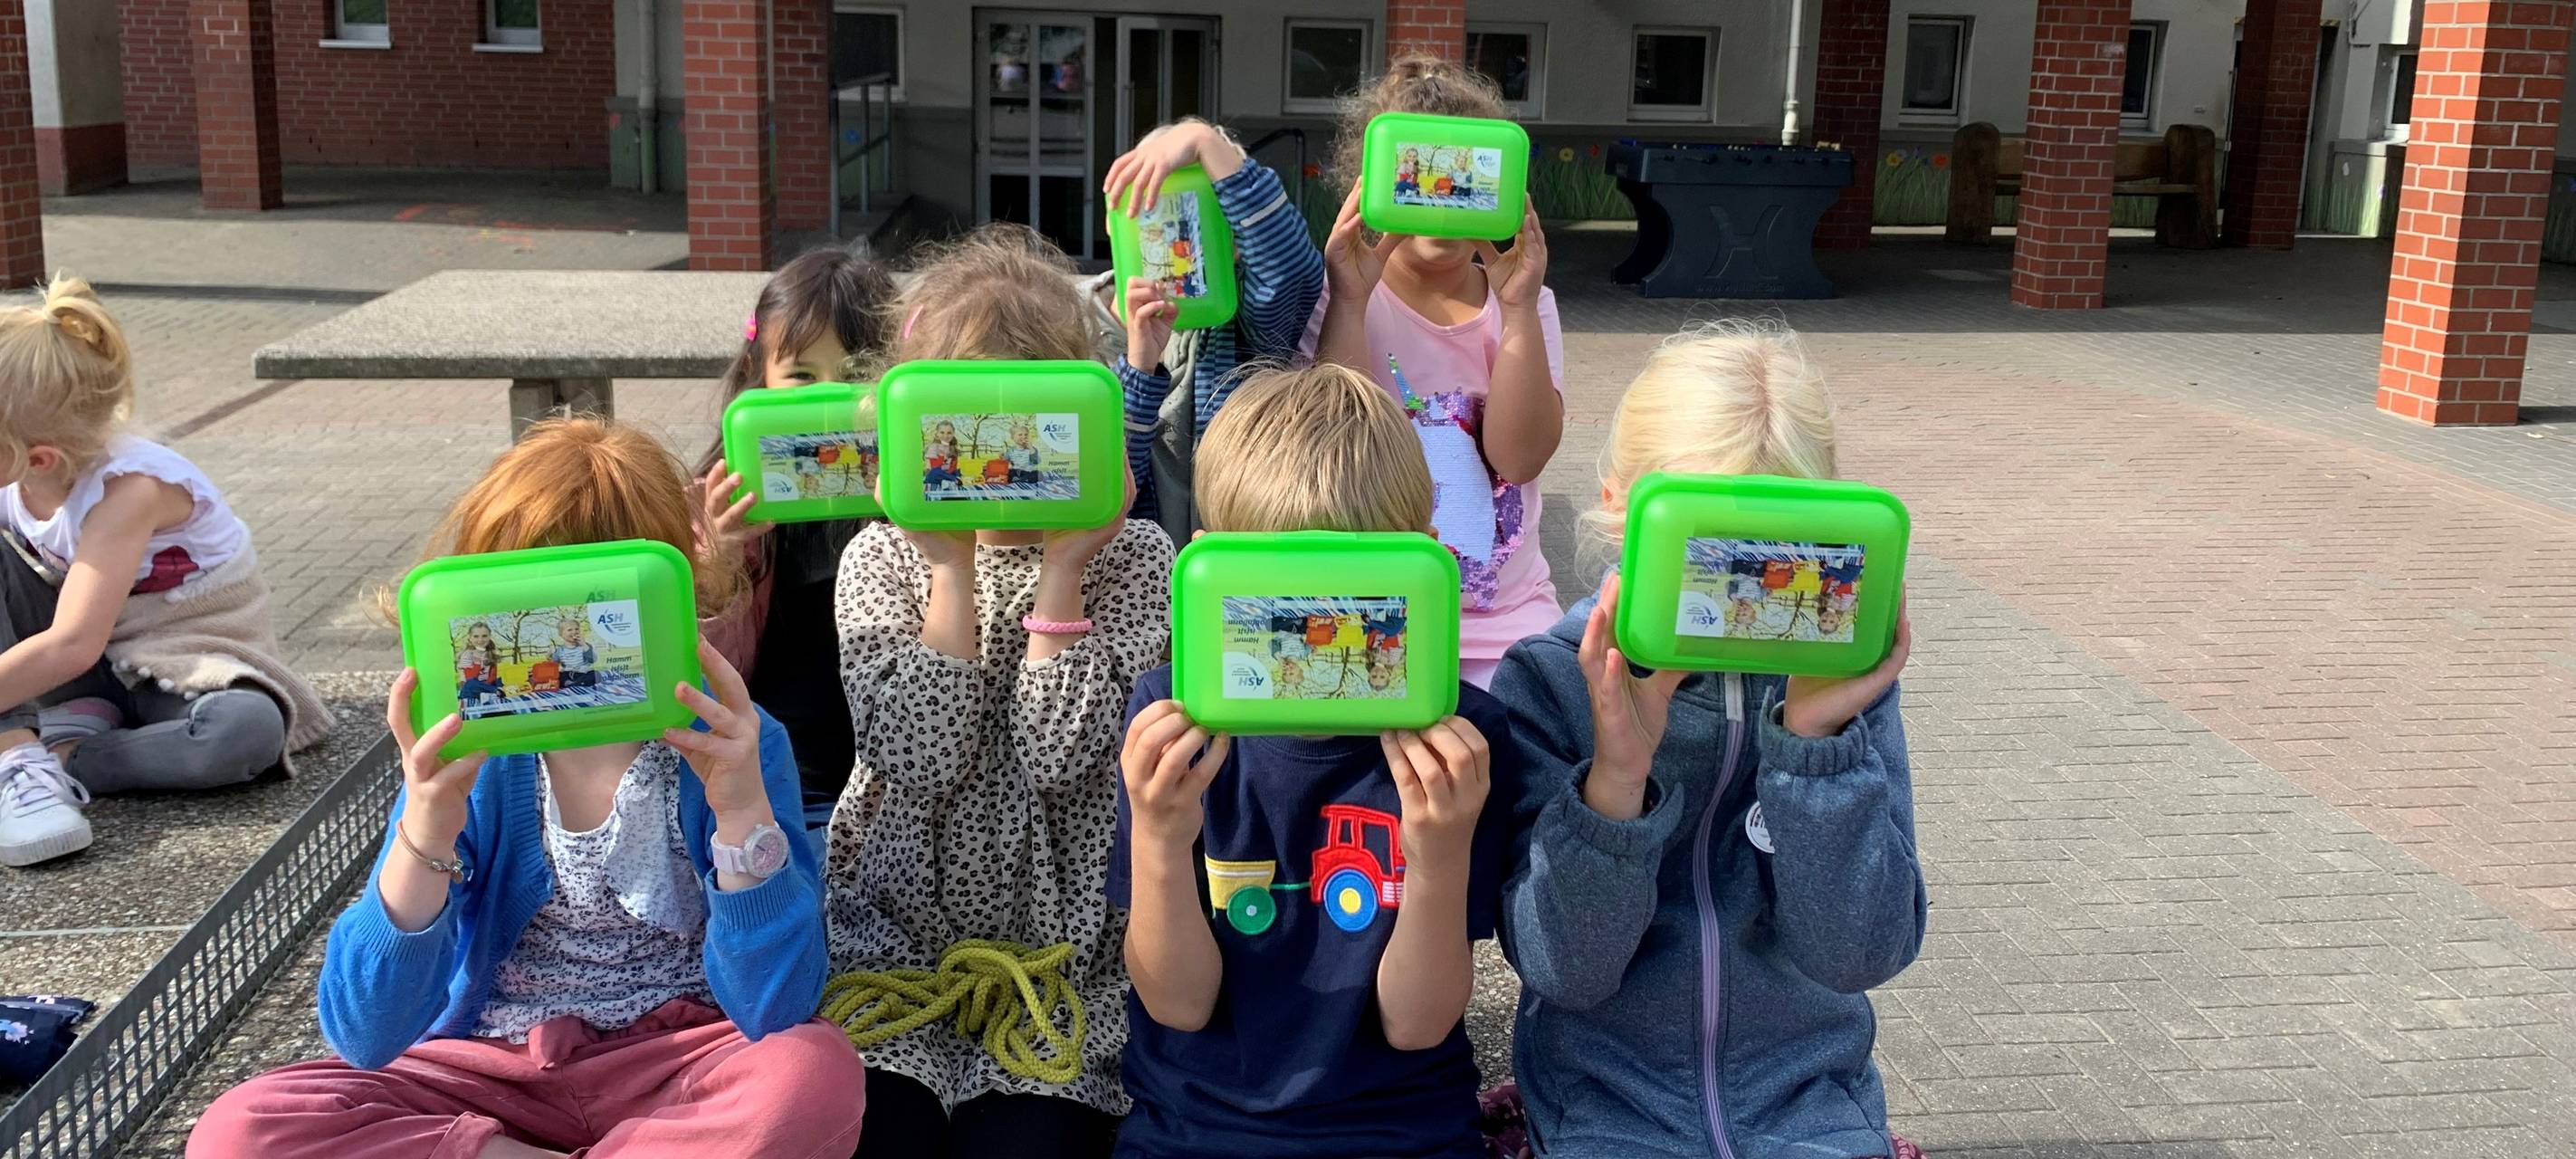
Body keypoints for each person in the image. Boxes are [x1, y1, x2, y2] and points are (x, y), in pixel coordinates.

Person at [187, 418, 865, 1158]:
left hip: (682, 1062)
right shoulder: (472, 755)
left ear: (676, 596)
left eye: (603, 617)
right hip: (491, 1067)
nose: (564, 644)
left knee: (812, 1076)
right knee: (241, 1130)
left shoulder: (733, 741)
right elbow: (365, 1032)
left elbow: (776, 1005)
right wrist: (426, 828)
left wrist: (740, 812)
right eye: (522, 615)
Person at [1491, 323, 1925, 1159]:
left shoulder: (1842, 688)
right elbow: (1564, 970)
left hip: (1810, 1105)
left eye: (1781, 553)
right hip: (1606, 1107)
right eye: (1707, 554)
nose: (1745, 590)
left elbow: (1860, 955)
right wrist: (1616, 782)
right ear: (1618, 509)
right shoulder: (1553, 679)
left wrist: (1813, 749)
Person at [1111, 363, 1517, 1158]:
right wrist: (1158, 838)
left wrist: (1438, 856)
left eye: (1356, 600)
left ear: (1427, 565)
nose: (1311, 635)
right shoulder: (1173, 726)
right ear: (1205, 572)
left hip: (1402, 1130)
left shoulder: (1461, 743)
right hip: (1198, 1128)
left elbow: (1417, 1023)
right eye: (1275, 603)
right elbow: (1176, 1006)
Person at [830, 224, 1171, 1158]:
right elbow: (922, 757)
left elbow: (1063, 757)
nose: (1000, 462)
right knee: (880, 1133)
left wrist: (1063, 571)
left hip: (1065, 964)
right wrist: (948, 568)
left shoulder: (1137, 559)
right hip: (899, 952)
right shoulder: (883, 560)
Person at [0, 275, 332, 868]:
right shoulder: (20, 475)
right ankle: (19, 747)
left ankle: (67, 756)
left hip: (177, 661)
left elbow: (73, 644)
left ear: (38, 458)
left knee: (245, 730)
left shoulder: (131, 490)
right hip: (84, 663)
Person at [1310, 56, 1564, 690]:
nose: (1443, 200)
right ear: (1369, 185)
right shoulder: (1342, 296)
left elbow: (1519, 459)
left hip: (1506, 617)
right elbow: (1335, 453)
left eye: (1467, 178)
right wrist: (1349, 300)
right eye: (1418, 177)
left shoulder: (1527, 304)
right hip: (1373, 607)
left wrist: (1517, 311)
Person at [693, 246, 894, 833]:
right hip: (778, 785)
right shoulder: (715, 506)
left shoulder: (912, 499)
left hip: (893, 786)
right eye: (802, 376)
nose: (827, 398)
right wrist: (718, 562)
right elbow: (702, 671)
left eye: (855, 376)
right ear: (758, 375)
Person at [1102, 116, 1326, 541]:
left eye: (1205, 214)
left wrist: (1202, 140)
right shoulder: (1074, 326)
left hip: (1227, 566)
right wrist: (1139, 368)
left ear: (1238, 243)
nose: (1179, 236)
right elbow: (1102, 490)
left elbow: (1291, 269)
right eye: (1154, 209)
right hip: (1133, 574)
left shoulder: (1240, 331)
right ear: (1114, 218)